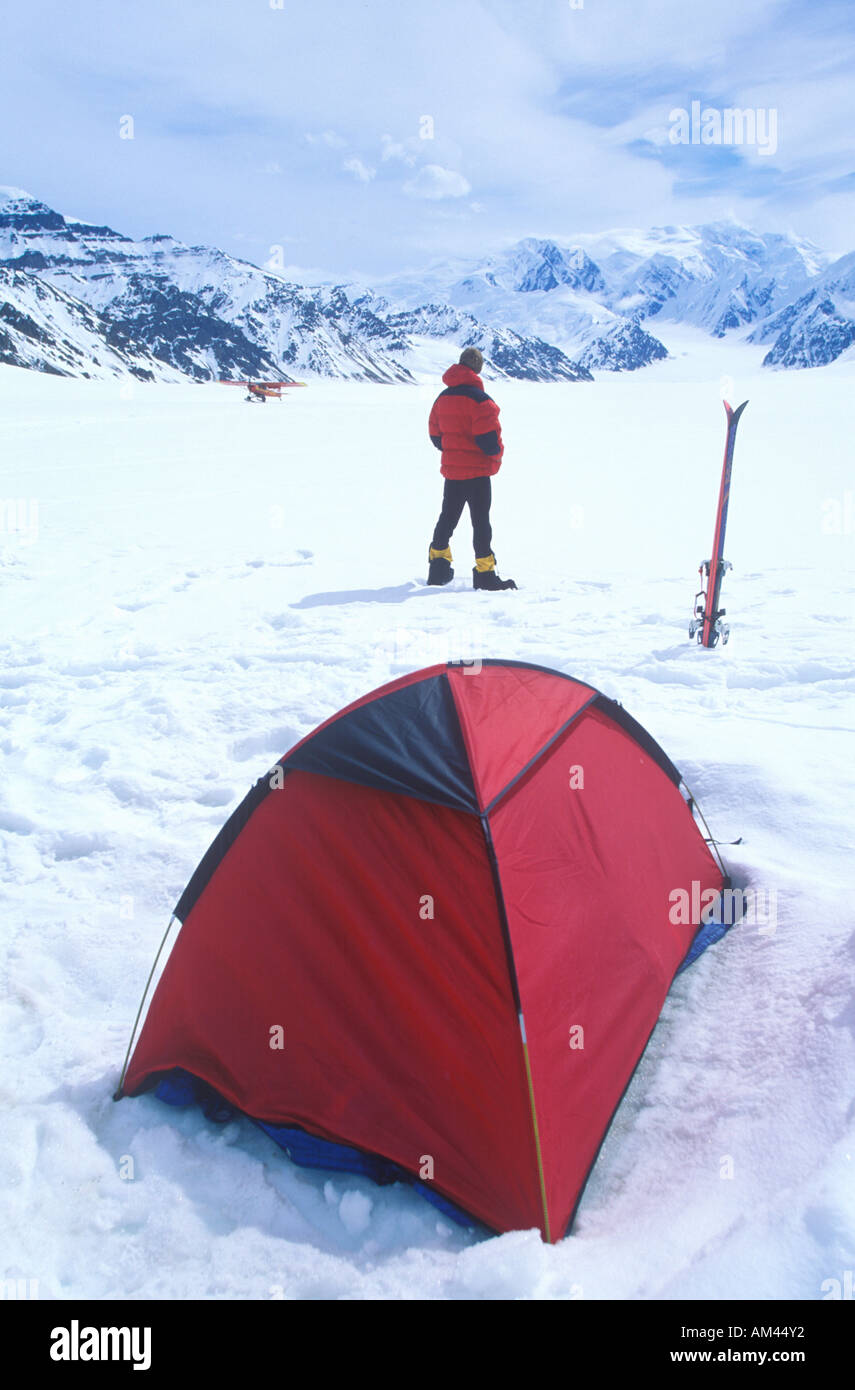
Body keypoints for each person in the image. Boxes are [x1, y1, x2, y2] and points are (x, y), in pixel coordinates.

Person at [426, 348, 517, 590]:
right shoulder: (482, 402)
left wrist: (454, 452)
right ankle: (485, 574)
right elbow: (490, 443)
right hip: (477, 474)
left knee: (447, 519)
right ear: (478, 369)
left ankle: (438, 569)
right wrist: (497, 456)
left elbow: (435, 436)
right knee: (481, 523)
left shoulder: (441, 399)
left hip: (453, 473)